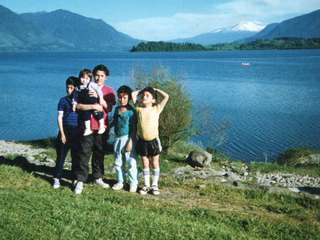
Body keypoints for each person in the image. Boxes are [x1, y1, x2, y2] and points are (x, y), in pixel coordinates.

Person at [74, 64, 116, 194]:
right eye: (97, 75)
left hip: (101, 127)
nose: (98, 78)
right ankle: (80, 180)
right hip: (86, 126)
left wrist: (99, 98)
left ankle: (98, 177)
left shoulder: (109, 90)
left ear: (106, 77)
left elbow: (108, 108)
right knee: (84, 152)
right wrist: (92, 107)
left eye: (102, 76)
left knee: (99, 152)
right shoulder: (84, 87)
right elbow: (77, 106)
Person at [132, 87, 169, 195]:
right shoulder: (138, 108)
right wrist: (143, 90)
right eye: (143, 95)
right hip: (142, 140)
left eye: (147, 96)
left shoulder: (157, 108)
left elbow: (166, 96)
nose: (144, 97)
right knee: (145, 163)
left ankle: (154, 185)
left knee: (154, 162)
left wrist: (156, 90)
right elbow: (133, 94)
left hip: (153, 140)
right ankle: (146, 185)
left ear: (153, 100)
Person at [109, 85, 139, 193]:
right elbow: (114, 121)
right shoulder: (117, 109)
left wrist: (130, 142)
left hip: (128, 138)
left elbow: (134, 128)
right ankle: (120, 181)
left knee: (131, 162)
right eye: (120, 97)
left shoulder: (131, 111)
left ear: (129, 98)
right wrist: (108, 127)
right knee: (118, 162)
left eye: (124, 97)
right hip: (118, 138)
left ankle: (133, 183)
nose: (122, 100)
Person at [53, 76, 80, 189]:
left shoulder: (80, 101)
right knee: (61, 156)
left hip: (77, 130)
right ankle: (57, 178)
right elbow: (59, 117)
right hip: (65, 129)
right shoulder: (63, 100)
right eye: (67, 88)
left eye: (72, 88)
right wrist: (62, 133)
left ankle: (74, 178)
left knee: (76, 156)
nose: (69, 90)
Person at [72, 69, 106, 136]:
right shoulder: (77, 87)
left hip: (93, 102)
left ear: (90, 79)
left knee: (98, 113)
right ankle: (88, 129)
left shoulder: (92, 85)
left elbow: (99, 92)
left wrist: (101, 99)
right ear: (79, 78)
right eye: (82, 78)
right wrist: (74, 104)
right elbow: (75, 97)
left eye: (87, 78)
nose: (84, 80)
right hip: (85, 105)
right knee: (86, 116)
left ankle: (101, 126)